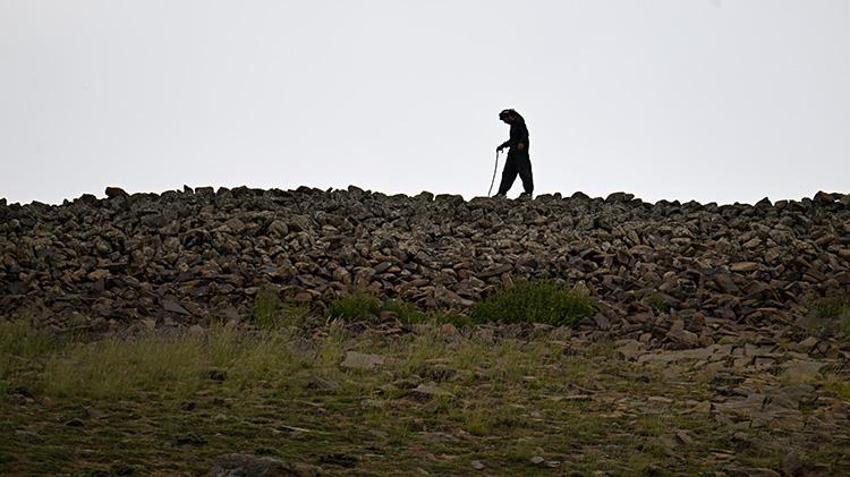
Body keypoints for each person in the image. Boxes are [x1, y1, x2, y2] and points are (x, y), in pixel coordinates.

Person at [495, 109, 533, 198]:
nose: (505, 122)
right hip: (513, 154)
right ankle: (501, 193)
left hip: (521, 154)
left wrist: (522, 142)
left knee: (524, 173)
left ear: (509, 117)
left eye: (505, 120)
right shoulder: (514, 125)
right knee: (507, 174)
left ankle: (528, 193)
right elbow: (513, 140)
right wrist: (503, 145)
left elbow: (525, 134)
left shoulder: (520, 123)